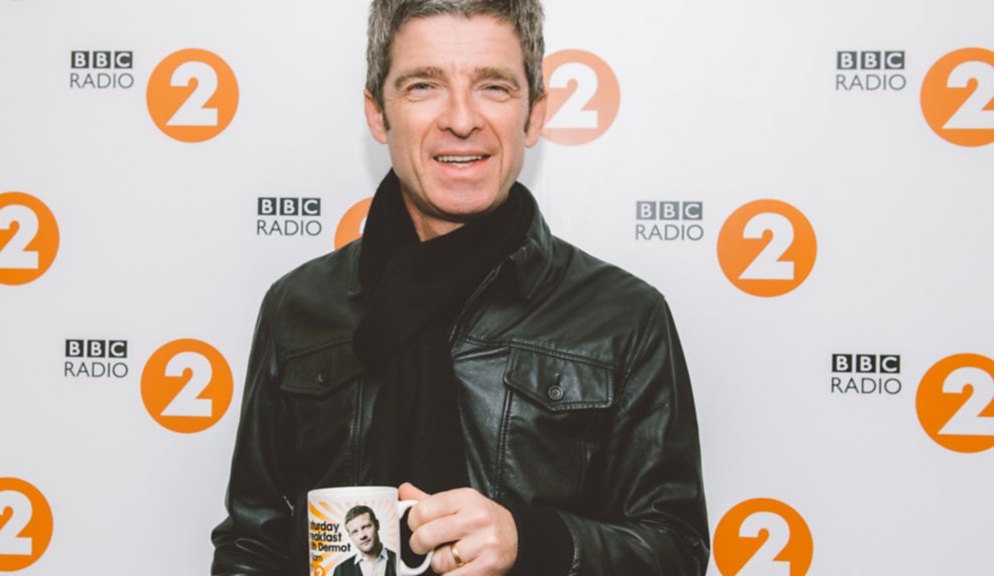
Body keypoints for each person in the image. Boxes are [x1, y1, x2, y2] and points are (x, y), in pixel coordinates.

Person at [212, 1, 709, 575]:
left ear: (534, 115)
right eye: (424, 86)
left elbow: (676, 550)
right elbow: (253, 543)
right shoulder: (298, 307)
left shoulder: (624, 317)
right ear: (378, 114)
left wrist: (532, 543)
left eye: (493, 87)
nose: (462, 119)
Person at [335, 506, 396, 576]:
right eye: (355, 531)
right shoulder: (341, 570)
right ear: (350, 536)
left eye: (365, 527)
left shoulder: (398, 560)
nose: (362, 536)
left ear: (377, 525)